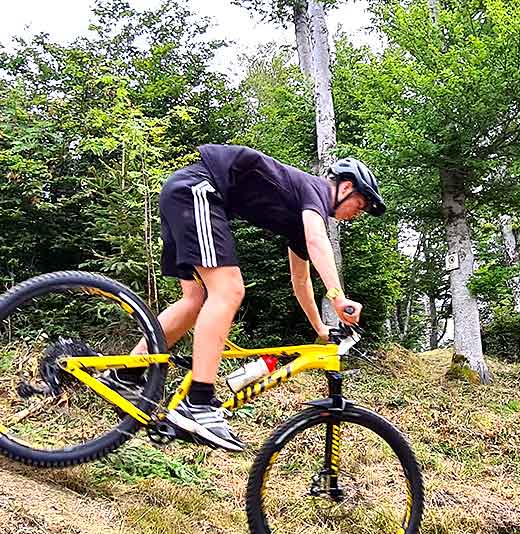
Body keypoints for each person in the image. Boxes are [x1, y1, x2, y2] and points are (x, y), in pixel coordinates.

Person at [99, 145, 385, 452]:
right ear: (345, 187)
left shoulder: (302, 217)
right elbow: (318, 241)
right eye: (361, 203)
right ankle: (199, 402)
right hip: (198, 190)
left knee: (194, 301)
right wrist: (338, 297)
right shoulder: (315, 190)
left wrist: (319, 327)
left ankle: (125, 374)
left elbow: (300, 280)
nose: (359, 213)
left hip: (183, 195)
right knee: (229, 289)